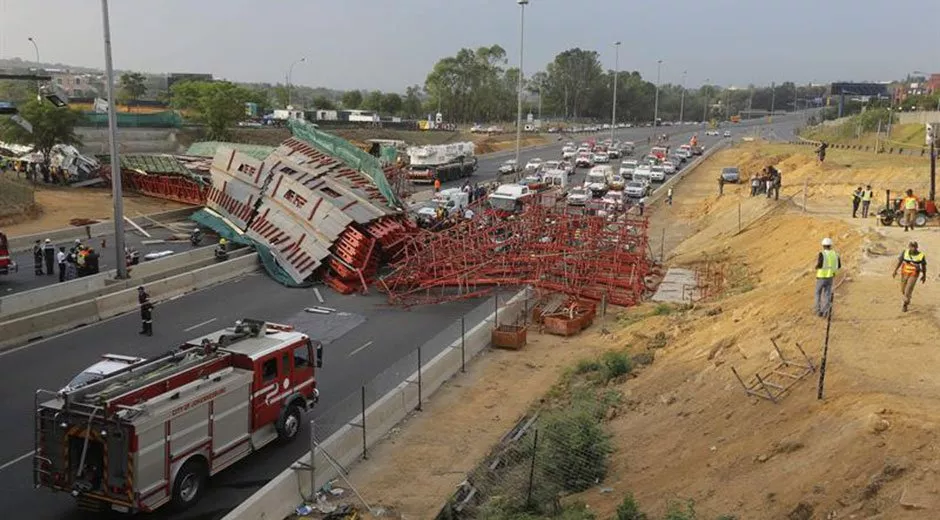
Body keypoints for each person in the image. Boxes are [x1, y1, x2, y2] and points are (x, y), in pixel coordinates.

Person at [892, 241, 926, 312]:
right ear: (909, 247)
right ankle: (908, 297)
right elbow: (900, 262)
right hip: (904, 273)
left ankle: (905, 304)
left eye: (914, 247)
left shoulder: (921, 255)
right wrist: (895, 270)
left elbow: (923, 266)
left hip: (914, 274)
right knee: (903, 289)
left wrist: (924, 275)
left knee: (909, 288)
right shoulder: (905, 252)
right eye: (911, 247)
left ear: (917, 247)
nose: (913, 248)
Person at [814, 237, 841, 317]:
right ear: (831, 245)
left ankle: (818, 311)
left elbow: (820, 264)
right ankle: (826, 311)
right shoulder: (835, 254)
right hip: (830, 277)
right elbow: (839, 266)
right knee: (827, 294)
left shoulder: (822, 254)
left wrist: (816, 267)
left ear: (823, 245)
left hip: (821, 276)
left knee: (817, 293)